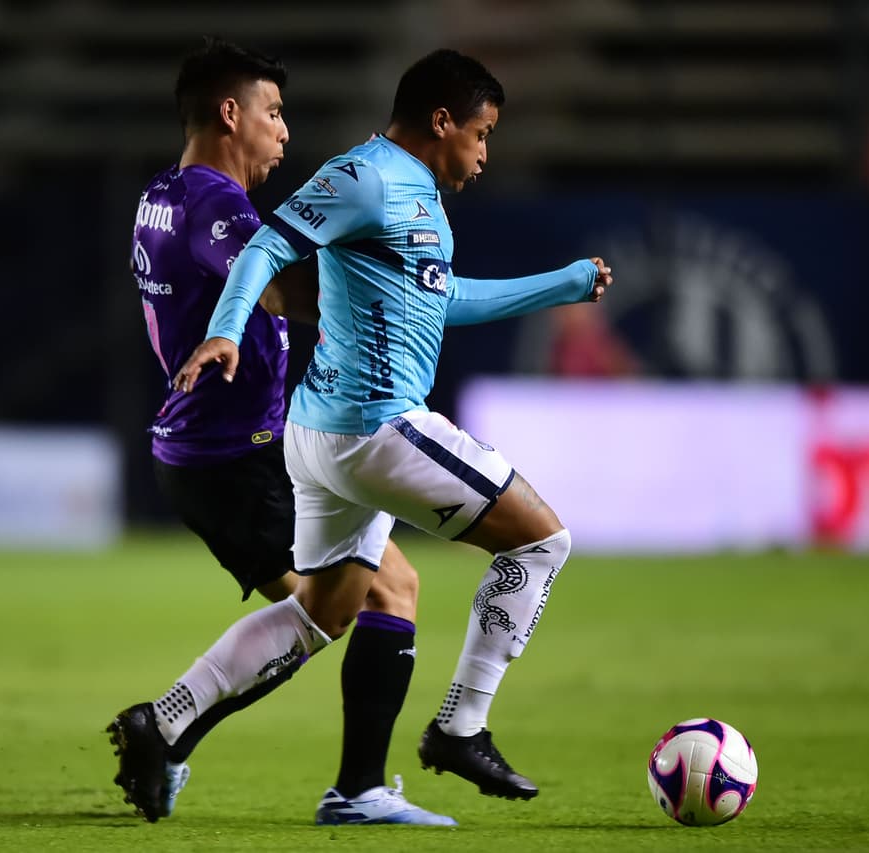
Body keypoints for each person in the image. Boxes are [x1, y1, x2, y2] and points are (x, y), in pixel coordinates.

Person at [171, 47, 613, 806]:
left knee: (319, 613)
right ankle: (461, 727)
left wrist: (565, 284)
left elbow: (449, 301)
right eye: (481, 133)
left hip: (327, 436)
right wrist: (225, 330)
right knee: (543, 540)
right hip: (374, 427)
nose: (484, 151)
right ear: (441, 122)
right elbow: (268, 244)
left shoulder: (421, 197)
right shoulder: (366, 175)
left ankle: (169, 720)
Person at [106, 36, 454, 827]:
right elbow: (279, 284)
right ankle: (188, 734)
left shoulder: (160, 193)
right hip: (235, 456)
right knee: (366, 596)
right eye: (273, 112)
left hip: (221, 449)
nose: (284, 131)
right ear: (231, 114)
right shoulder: (216, 205)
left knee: (369, 592)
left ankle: (172, 733)